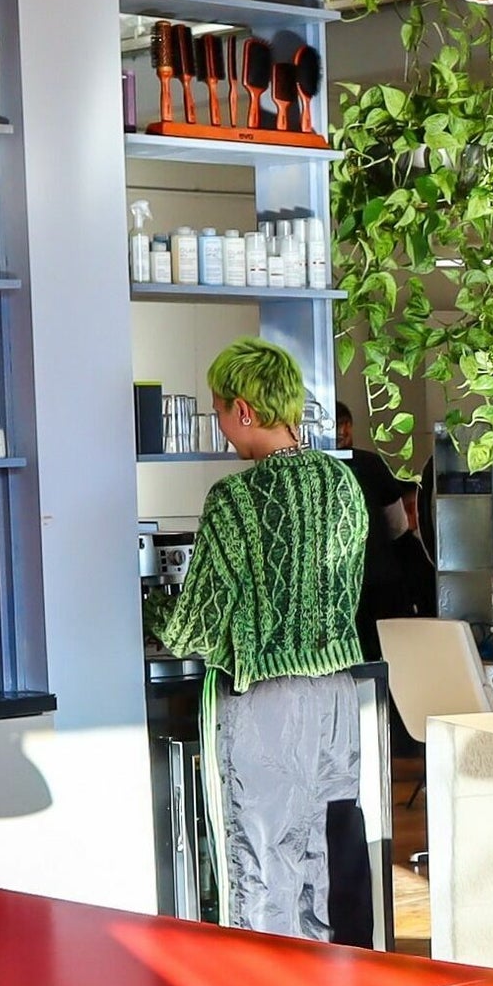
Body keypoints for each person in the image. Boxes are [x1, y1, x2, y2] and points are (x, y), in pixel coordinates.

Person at [156, 339, 366, 939]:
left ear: (244, 410)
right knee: (326, 857)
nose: (222, 426)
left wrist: (153, 616)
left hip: (267, 704)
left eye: (220, 410)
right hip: (336, 700)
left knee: (263, 860)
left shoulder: (233, 500)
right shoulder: (342, 483)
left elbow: (191, 627)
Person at [337, 401, 437, 667]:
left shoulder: (310, 471)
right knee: (382, 661)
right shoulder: (370, 464)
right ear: (347, 427)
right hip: (378, 581)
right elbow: (397, 527)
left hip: (338, 586)